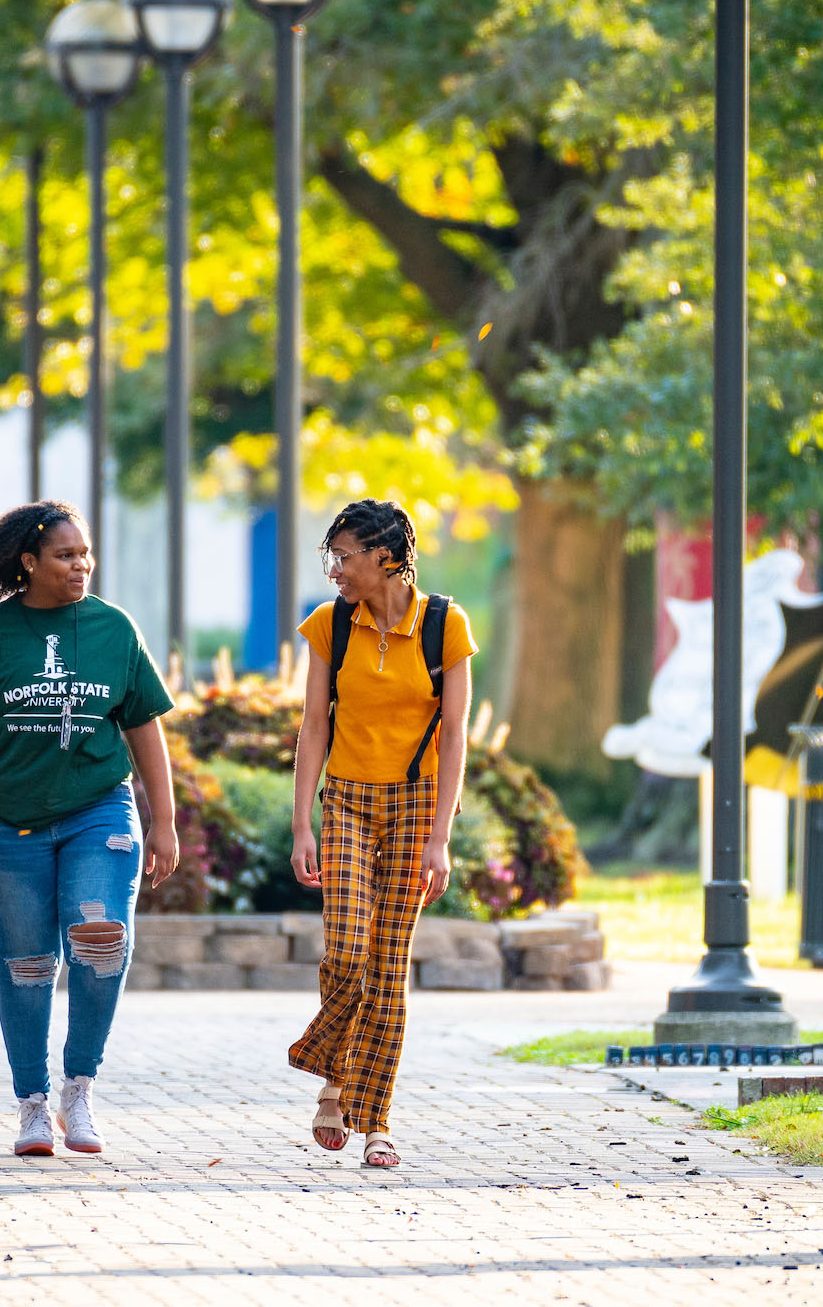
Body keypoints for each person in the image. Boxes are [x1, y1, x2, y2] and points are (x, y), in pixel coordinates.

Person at [0, 501, 182, 1157]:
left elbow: (144, 728)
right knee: (29, 965)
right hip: (6, 824)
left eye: (85, 554)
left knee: (100, 941)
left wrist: (165, 822)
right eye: (66, 556)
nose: (81, 566)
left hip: (97, 808)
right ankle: (33, 1106)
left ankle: (79, 1086)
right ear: (29, 563)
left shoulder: (112, 629)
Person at [287, 500, 475, 1168]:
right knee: (348, 947)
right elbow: (314, 726)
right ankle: (332, 1070)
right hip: (346, 799)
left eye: (345, 555)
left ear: (386, 556)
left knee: (389, 968)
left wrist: (439, 837)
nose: (335, 568)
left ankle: (372, 1117)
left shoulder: (445, 625)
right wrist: (301, 821)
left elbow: (455, 735)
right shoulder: (330, 625)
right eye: (331, 556)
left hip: (417, 802)